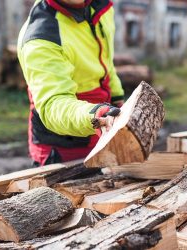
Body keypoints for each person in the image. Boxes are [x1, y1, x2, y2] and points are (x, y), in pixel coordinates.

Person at [17, 0, 124, 167]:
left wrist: (118, 99)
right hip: (62, 150)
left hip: (101, 133)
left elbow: (106, 62)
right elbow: (54, 104)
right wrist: (96, 115)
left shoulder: (101, 6)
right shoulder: (41, 36)